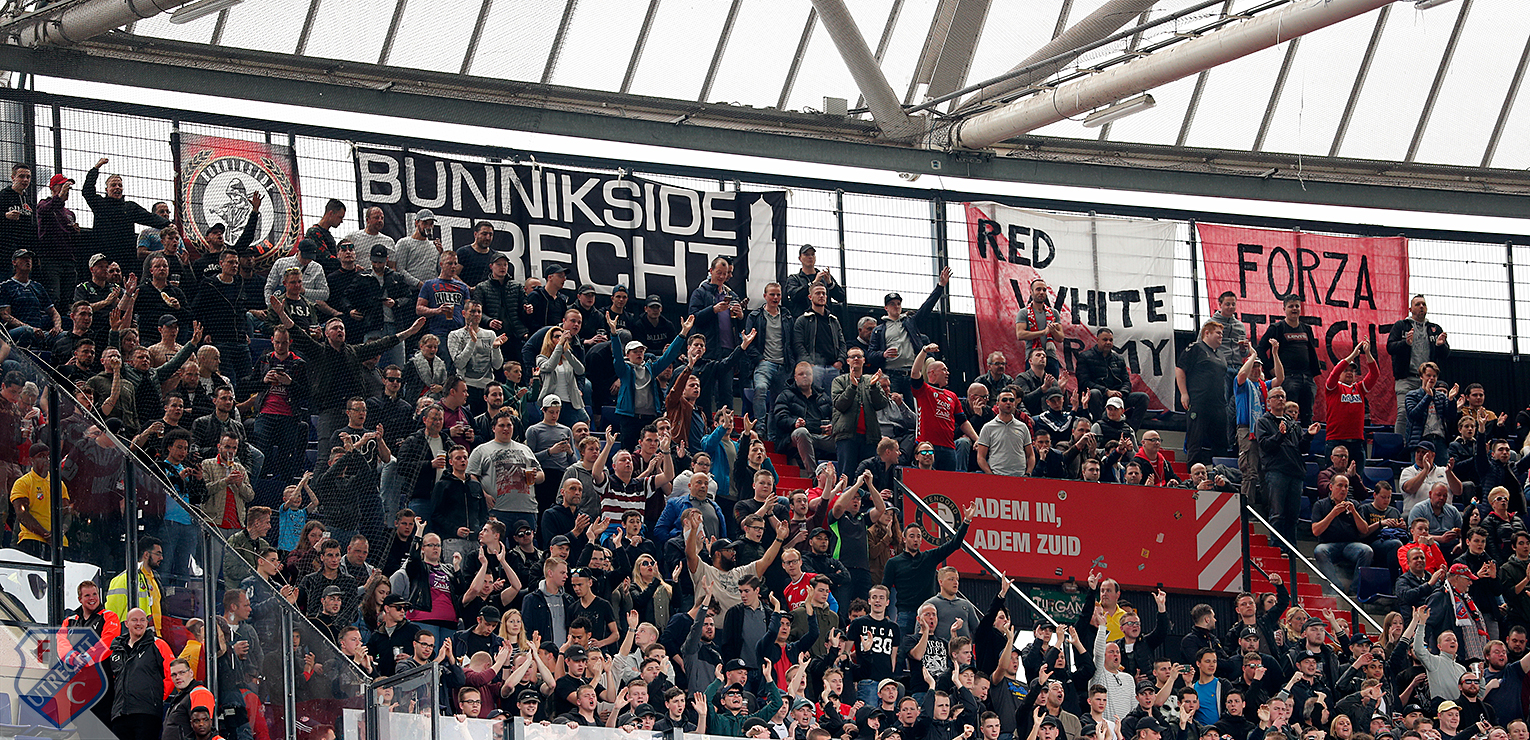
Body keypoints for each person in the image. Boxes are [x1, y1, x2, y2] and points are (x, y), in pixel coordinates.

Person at [883, 503, 975, 635]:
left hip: (928, 613)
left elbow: (954, 544)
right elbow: (885, 589)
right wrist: (886, 614)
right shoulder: (893, 563)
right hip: (905, 614)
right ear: (904, 539)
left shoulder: (929, 557)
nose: (915, 539)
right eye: (912, 536)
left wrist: (966, 521)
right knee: (903, 651)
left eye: (919, 536)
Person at [868, 267, 949, 396]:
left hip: (912, 373)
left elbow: (926, 307)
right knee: (892, 407)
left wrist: (940, 286)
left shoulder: (910, 322)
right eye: (893, 304)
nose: (896, 306)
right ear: (886, 308)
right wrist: (883, 354)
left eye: (899, 303)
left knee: (915, 407)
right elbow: (870, 354)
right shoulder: (879, 330)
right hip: (891, 374)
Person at [106, 608, 174, 740]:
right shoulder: (115, 649)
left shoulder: (158, 644)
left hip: (147, 713)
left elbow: (171, 673)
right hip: (120, 715)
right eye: (134, 620)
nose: (139, 623)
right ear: (126, 623)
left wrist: (157, 697)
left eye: (142, 620)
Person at [1388, 295, 1451, 436]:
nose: (1421, 306)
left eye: (1423, 304)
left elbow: (1445, 354)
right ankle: (1401, 446)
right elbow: (1390, 347)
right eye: (1417, 304)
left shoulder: (1434, 329)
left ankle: (1422, 447)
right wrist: (1406, 343)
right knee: (1404, 412)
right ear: (1410, 309)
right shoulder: (1401, 326)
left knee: (1429, 413)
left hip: (1427, 380)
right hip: (1406, 378)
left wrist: (1440, 346)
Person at [910, 343, 978, 472]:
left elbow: (963, 422)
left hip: (948, 447)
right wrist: (924, 351)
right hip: (927, 447)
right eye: (944, 370)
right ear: (932, 373)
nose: (948, 373)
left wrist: (977, 439)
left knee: (947, 484)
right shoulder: (924, 390)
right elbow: (915, 372)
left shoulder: (952, 396)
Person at [831, 347, 888, 479]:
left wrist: (874, 387)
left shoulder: (871, 380)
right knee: (847, 475)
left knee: (868, 476)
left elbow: (881, 404)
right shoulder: (839, 381)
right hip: (847, 436)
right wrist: (852, 387)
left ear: (864, 360)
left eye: (859, 356)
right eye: (852, 357)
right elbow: (840, 404)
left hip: (870, 437)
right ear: (847, 361)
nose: (856, 359)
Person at [1178, 321, 1230, 465]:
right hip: (1199, 402)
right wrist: (1184, 393)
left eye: (1222, 334)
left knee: (1221, 442)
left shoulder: (1221, 354)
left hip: (1219, 404)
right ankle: (1193, 476)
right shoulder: (1196, 348)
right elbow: (1180, 369)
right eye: (1218, 333)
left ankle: (1222, 474)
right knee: (1195, 440)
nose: (1221, 336)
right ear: (1207, 333)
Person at [1077, 328, 1150, 428]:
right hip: (1099, 397)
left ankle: (1129, 431)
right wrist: (1106, 391)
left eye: (1110, 340)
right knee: (1094, 393)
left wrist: (1121, 393)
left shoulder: (1119, 359)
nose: (1108, 342)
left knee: (1143, 397)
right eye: (1105, 339)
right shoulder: (1085, 357)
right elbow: (1084, 382)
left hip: (1118, 397)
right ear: (1097, 340)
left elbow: (1126, 382)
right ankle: (1099, 428)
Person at [1311, 474, 1373, 588]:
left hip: (1350, 545)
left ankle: (1355, 588)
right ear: (1331, 487)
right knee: (1319, 550)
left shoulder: (1355, 505)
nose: (1343, 489)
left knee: (1367, 551)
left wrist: (1354, 512)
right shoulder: (1320, 505)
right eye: (1340, 486)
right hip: (1329, 545)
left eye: (1346, 486)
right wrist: (1333, 514)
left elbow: (1364, 530)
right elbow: (1315, 531)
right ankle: (1336, 586)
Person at [9, 442, 67, 560]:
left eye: (48, 456)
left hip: (59, 543)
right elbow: (22, 513)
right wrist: (45, 534)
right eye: (41, 456)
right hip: (32, 539)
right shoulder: (23, 483)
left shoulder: (58, 484)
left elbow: (67, 511)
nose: (46, 459)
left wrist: (61, 531)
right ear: (32, 460)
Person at [1324, 342, 1379, 463]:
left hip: (1357, 442)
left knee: (1357, 479)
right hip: (1336, 440)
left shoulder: (1360, 388)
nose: (1349, 372)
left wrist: (1368, 354)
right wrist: (1352, 355)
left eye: (1352, 371)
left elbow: (1375, 374)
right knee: (1334, 477)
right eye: (1346, 370)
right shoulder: (1332, 388)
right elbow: (1334, 373)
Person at [794, 283, 845, 394]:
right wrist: (809, 364)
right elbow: (798, 344)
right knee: (815, 400)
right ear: (810, 297)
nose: (821, 296)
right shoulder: (803, 320)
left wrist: (840, 361)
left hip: (833, 368)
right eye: (817, 293)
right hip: (814, 368)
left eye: (824, 293)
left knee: (834, 402)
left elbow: (842, 343)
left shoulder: (834, 320)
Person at [977, 388, 1035, 476]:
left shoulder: (1023, 427)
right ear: (997, 404)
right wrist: (990, 475)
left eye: (1011, 400)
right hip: (997, 476)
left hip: (1020, 477)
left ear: (1015, 404)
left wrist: (1028, 473)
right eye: (1004, 400)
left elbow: (1030, 455)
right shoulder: (988, 427)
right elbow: (980, 457)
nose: (1008, 402)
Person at [1014, 278, 1064, 375]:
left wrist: (1053, 331)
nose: (1041, 292)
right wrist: (1043, 332)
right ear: (1031, 292)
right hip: (1033, 357)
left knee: (1053, 388)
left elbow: (1061, 338)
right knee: (1033, 387)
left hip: (1050, 357)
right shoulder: (1024, 313)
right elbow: (1020, 335)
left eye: (1044, 290)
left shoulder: (1053, 313)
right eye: (1038, 289)